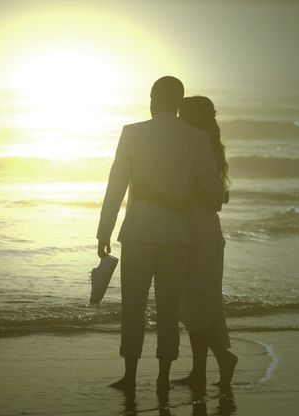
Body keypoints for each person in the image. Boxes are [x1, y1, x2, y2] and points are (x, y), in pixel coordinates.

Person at [96, 77, 225, 392]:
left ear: (153, 99)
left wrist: (104, 229)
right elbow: (216, 192)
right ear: (178, 101)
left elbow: (116, 185)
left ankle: (129, 376)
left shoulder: (132, 133)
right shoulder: (196, 138)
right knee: (168, 309)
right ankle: (163, 378)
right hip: (177, 236)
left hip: (138, 232)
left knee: (133, 306)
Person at [173, 96, 237, 388]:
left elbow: (214, 197)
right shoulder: (208, 144)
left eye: (180, 115)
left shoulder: (199, 146)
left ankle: (219, 360)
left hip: (199, 232)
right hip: (198, 229)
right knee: (195, 302)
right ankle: (203, 368)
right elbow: (220, 195)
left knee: (194, 301)